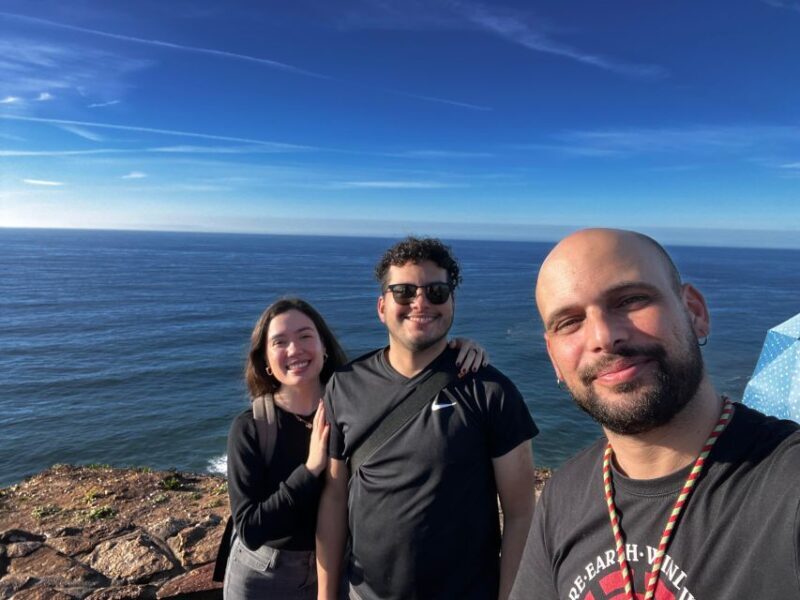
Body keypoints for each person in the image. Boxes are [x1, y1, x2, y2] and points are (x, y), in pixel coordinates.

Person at [511, 228, 800, 599]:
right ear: (554, 357)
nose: (603, 336)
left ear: (694, 312)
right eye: (569, 322)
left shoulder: (785, 484)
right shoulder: (562, 497)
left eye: (630, 300)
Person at [221, 297, 489, 599]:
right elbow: (250, 528)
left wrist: (457, 351)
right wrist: (310, 470)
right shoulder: (252, 428)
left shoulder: (355, 402)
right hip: (268, 576)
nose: (294, 350)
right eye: (279, 342)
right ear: (266, 361)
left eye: (305, 336)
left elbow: (405, 367)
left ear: (324, 345)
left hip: (342, 568)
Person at [317, 237, 538, 600]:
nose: (420, 302)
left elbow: (520, 513)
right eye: (403, 292)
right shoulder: (345, 385)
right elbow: (334, 498)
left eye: (436, 291)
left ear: (451, 302)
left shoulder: (491, 392)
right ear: (381, 306)